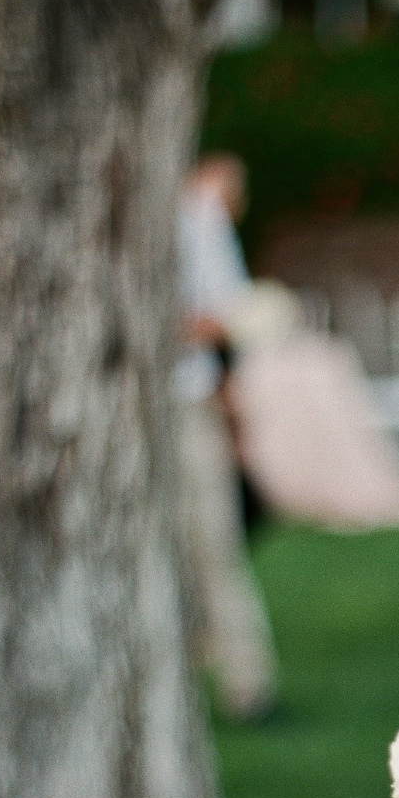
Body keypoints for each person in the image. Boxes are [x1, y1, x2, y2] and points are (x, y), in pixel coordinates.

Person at [174, 154, 278, 720]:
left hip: (185, 398)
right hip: (183, 403)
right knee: (213, 551)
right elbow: (219, 318)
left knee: (204, 550)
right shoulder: (198, 219)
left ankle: (243, 684)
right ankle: (247, 687)